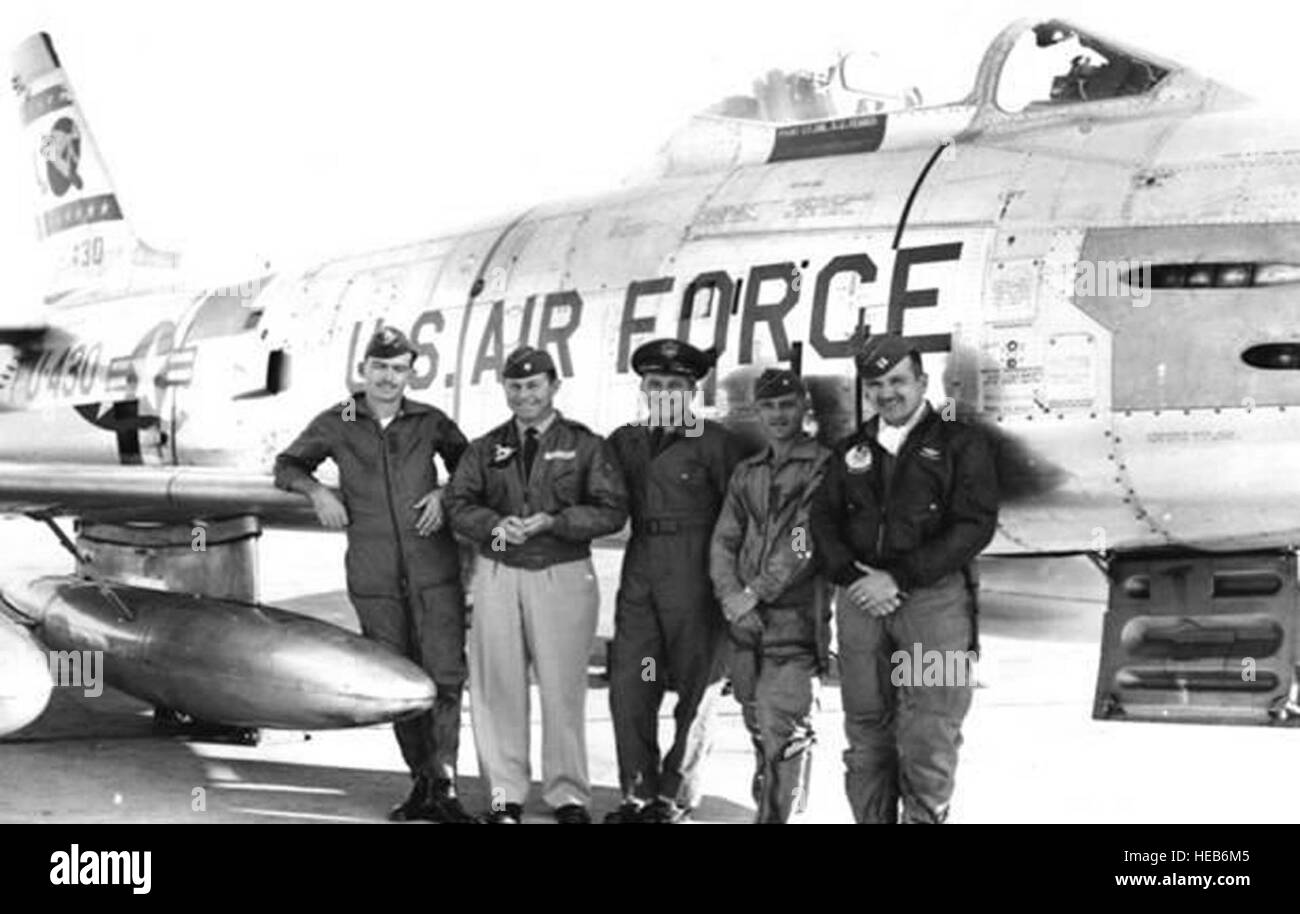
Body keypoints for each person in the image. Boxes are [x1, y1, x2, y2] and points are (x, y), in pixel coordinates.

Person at [274, 326, 474, 823]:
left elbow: (471, 468)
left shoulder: (430, 421)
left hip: (434, 570)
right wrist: (317, 492)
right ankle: (421, 784)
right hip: (374, 573)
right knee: (397, 680)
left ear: (410, 373)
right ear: (363, 370)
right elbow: (287, 464)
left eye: (399, 369)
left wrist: (445, 496)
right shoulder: (338, 420)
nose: (389, 378)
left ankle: (444, 784)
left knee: (446, 675)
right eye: (380, 368)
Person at [810, 333, 998, 824]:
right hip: (861, 604)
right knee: (866, 727)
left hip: (933, 604)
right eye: (876, 384)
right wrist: (854, 577)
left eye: (898, 381)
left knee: (930, 729)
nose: (888, 392)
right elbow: (823, 523)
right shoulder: (850, 449)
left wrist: (899, 578)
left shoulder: (960, 442)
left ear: (921, 382)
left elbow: (975, 523)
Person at [443, 346, 627, 825]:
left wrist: (556, 521)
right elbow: (458, 502)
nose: (524, 395)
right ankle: (505, 797)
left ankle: (569, 797)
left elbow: (611, 509)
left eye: (533, 386)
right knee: (497, 686)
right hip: (499, 573)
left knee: (564, 688)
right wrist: (493, 524)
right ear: (505, 388)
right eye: (515, 386)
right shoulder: (484, 448)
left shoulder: (587, 445)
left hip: (561, 573)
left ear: (553, 387)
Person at [604, 338, 750, 823]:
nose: (664, 391)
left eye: (675, 384)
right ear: (644, 388)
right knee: (633, 680)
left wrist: (734, 588)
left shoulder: (716, 444)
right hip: (642, 569)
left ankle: (675, 796)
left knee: (697, 686)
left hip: (695, 573)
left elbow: (742, 517)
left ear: (692, 389)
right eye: (655, 383)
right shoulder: (625, 441)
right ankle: (638, 794)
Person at [710, 368, 832, 824]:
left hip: (794, 618)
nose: (779, 415)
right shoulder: (748, 473)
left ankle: (778, 818)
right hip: (745, 621)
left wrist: (755, 592)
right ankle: (771, 808)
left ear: (804, 408)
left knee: (786, 726)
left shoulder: (823, 466)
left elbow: (805, 539)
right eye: (769, 406)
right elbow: (724, 539)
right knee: (757, 724)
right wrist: (729, 595)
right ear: (757, 412)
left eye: (787, 405)